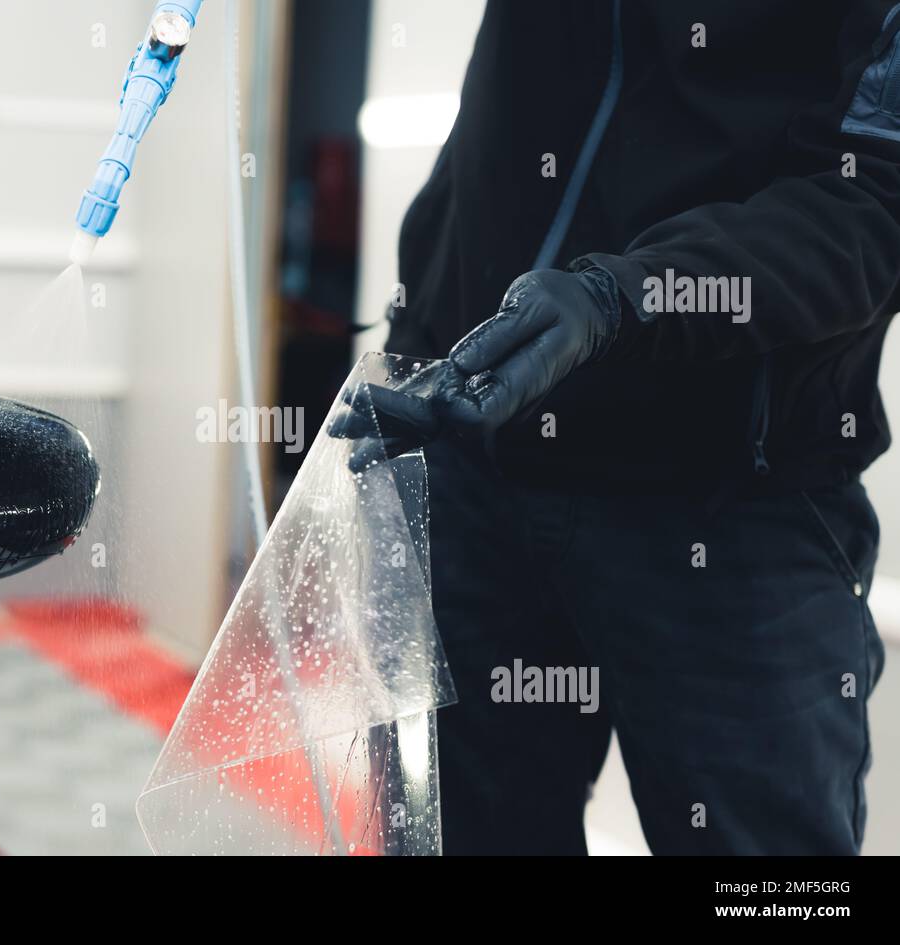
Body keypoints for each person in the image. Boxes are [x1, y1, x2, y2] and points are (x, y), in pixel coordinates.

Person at [346, 0, 898, 854]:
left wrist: (629, 299)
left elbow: (876, 200)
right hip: (477, 468)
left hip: (733, 511)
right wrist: (419, 339)